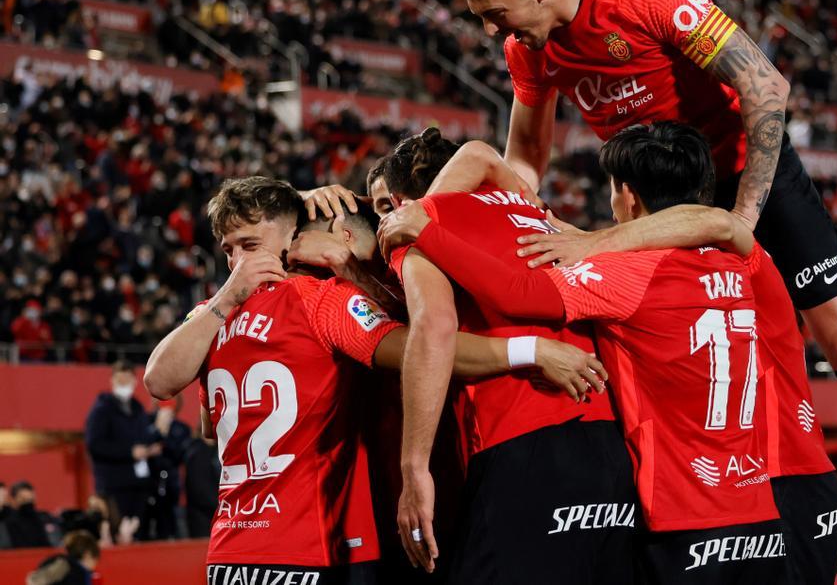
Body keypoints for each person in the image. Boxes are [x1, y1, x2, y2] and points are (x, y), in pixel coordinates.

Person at [451, 0, 837, 580]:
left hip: (746, 171)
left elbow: (766, 86)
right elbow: (526, 160)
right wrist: (509, 224)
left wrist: (740, 217)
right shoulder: (528, 49)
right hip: (659, 195)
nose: (491, 32)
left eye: (495, 15)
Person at [419, 131, 837, 582]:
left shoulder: (622, 273)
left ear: (627, 194)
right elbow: (725, 225)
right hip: (773, 506)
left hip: (685, 521)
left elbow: (518, 293)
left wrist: (423, 231)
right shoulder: (750, 263)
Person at [143, 177, 595, 584]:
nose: (237, 262)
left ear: (292, 237)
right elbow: (425, 346)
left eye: (248, 245)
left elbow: (203, 417)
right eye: (227, 250)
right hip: (313, 549)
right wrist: (529, 350)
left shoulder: (208, 320)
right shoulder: (320, 301)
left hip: (236, 553)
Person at [374, 130, 637, 584]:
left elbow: (433, 330)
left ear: (399, 200)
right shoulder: (537, 213)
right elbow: (480, 153)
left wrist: (413, 469)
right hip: (612, 444)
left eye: (381, 207)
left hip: (524, 445)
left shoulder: (417, 225)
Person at [83, 361, 158, 540]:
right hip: (113, 486)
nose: (124, 384)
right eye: (120, 379)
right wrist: (129, 452)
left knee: (136, 533)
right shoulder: (101, 410)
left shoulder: (138, 409)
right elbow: (94, 445)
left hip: (139, 485)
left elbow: (143, 438)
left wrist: (150, 446)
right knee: (118, 534)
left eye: (127, 379)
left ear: (135, 381)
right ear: (112, 381)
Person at [146, 396, 191, 540]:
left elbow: (179, 454)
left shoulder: (182, 428)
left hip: (172, 486)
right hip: (148, 483)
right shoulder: (146, 422)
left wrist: (164, 435)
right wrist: (157, 430)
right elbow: (141, 445)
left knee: (172, 526)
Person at [25, 530, 100, 585]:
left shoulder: (82, 573)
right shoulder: (63, 564)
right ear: (88, 555)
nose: (95, 565)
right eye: (96, 560)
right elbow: (35, 580)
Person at [6, 481, 51, 548]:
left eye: (30, 499)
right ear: (13, 500)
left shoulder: (42, 518)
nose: (28, 503)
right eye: (23, 499)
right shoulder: (8, 521)